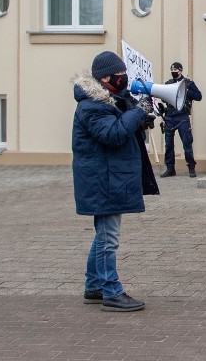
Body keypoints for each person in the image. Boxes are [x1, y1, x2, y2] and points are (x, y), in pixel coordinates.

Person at [71, 50, 152, 312]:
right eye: (120, 75)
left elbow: (122, 125)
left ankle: (94, 285)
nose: (124, 78)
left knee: (103, 236)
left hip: (108, 178)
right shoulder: (91, 106)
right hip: (102, 180)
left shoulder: (110, 101)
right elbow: (113, 133)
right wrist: (137, 112)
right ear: (105, 77)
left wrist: (141, 114)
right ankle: (111, 291)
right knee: (109, 239)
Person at [158, 62, 202, 178]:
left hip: (182, 116)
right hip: (170, 115)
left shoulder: (188, 83)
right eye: (172, 69)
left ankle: (191, 167)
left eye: (176, 70)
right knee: (168, 144)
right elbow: (163, 98)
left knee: (187, 143)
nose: (173, 72)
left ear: (180, 70)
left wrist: (185, 91)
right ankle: (170, 168)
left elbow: (198, 96)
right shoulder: (168, 83)